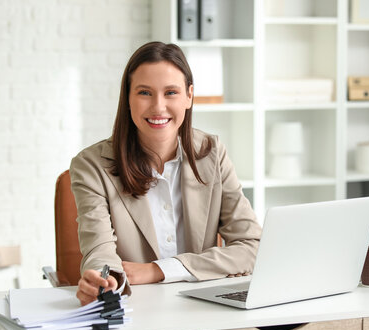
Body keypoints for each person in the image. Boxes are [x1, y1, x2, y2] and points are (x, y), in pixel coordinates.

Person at [70, 41, 261, 305]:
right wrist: (107, 279)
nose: (158, 107)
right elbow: (99, 249)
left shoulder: (212, 154)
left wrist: (159, 270)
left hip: (203, 306)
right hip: (137, 306)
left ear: (189, 96)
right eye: (145, 93)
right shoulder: (90, 166)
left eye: (171, 92)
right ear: (128, 98)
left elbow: (252, 246)